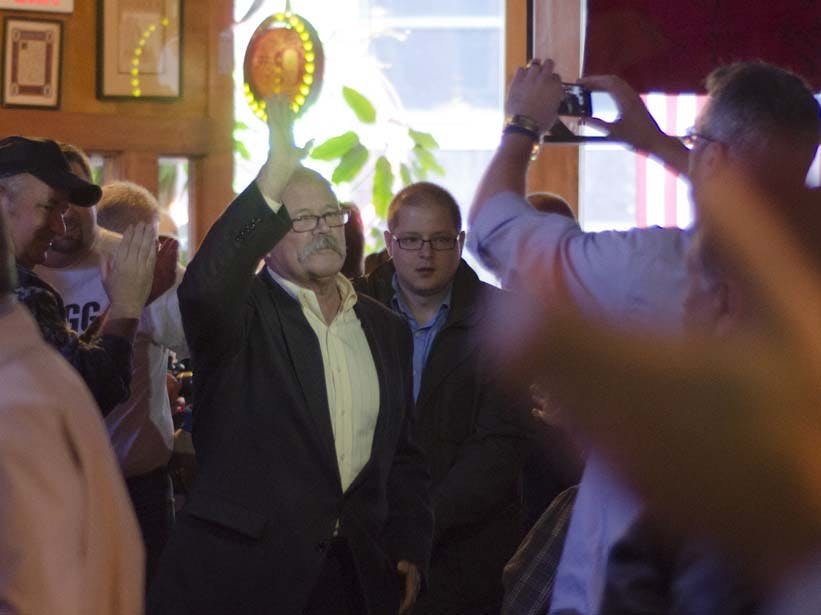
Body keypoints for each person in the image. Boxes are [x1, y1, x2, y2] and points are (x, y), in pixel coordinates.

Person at [467, 59, 820, 615]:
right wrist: (660, 143)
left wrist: (523, 126)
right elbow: (757, 210)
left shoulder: (653, 266)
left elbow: (493, 226)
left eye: (696, 138)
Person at [148, 99, 433, 615]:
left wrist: (411, 547)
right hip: (243, 578)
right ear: (266, 240)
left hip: (352, 577)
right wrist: (275, 171)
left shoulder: (384, 327)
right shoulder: (238, 315)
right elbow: (206, 286)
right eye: (302, 220)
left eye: (331, 214)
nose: (324, 228)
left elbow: (404, 457)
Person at [354, 181, 530, 614]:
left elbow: (499, 448)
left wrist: (419, 525)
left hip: (468, 546)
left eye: (440, 241)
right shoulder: (349, 308)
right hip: (364, 538)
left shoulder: (504, 319)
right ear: (389, 243)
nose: (425, 254)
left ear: (461, 242)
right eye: (411, 241)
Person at [37, 163, 187, 588]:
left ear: (94, 200)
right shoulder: (15, 270)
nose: (64, 214)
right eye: (50, 202)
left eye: (77, 199)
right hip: (41, 490)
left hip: (134, 488)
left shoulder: (132, 258)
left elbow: (201, 340)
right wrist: (126, 308)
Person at [0, 203, 144, 614]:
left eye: (72, 205)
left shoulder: (21, 394)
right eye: (47, 204)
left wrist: (128, 307)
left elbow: (49, 583)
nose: (58, 222)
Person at [0, 135, 156, 416]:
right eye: (49, 207)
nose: (59, 227)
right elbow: (86, 396)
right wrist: (126, 308)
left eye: (63, 210)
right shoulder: (20, 294)